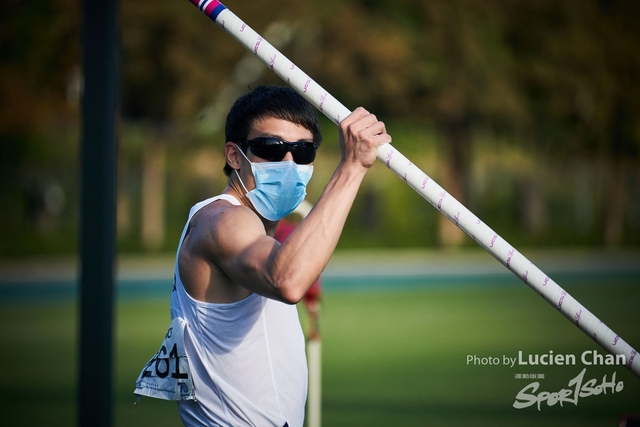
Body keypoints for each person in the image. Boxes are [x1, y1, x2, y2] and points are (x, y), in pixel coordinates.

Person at [135, 85, 391, 427]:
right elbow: (287, 280)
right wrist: (352, 167)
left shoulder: (249, 227)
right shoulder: (222, 221)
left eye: (303, 151)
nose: (288, 163)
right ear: (234, 155)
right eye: (271, 148)